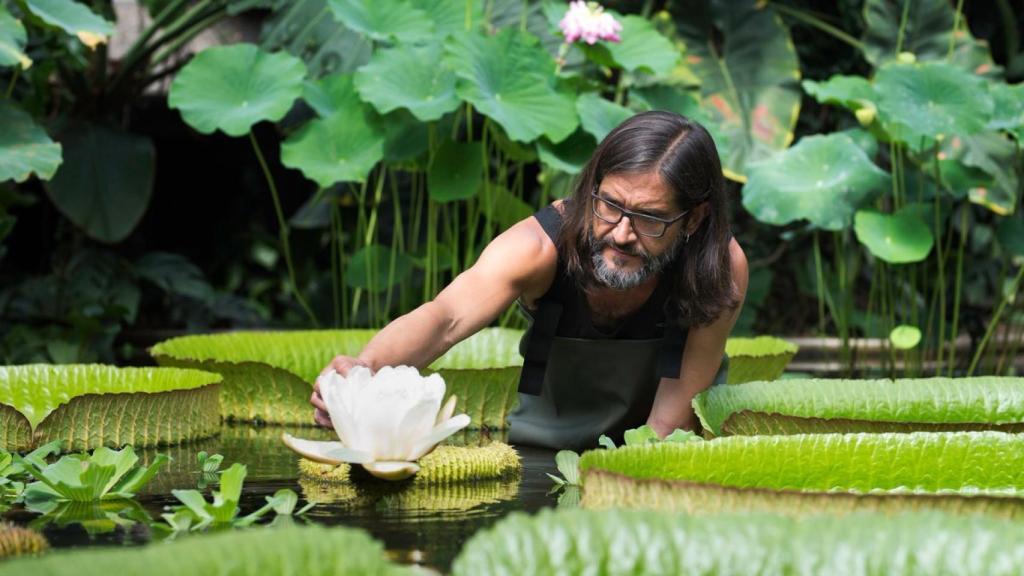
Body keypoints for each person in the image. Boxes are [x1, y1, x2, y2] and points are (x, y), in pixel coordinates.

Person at [311, 111, 748, 451]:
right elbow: (446, 317)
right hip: (541, 450)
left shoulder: (719, 268)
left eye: (649, 218)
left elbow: (668, 424)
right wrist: (366, 368)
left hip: (659, 453)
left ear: (694, 218)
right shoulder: (539, 247)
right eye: (610, 205)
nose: (621, 234)